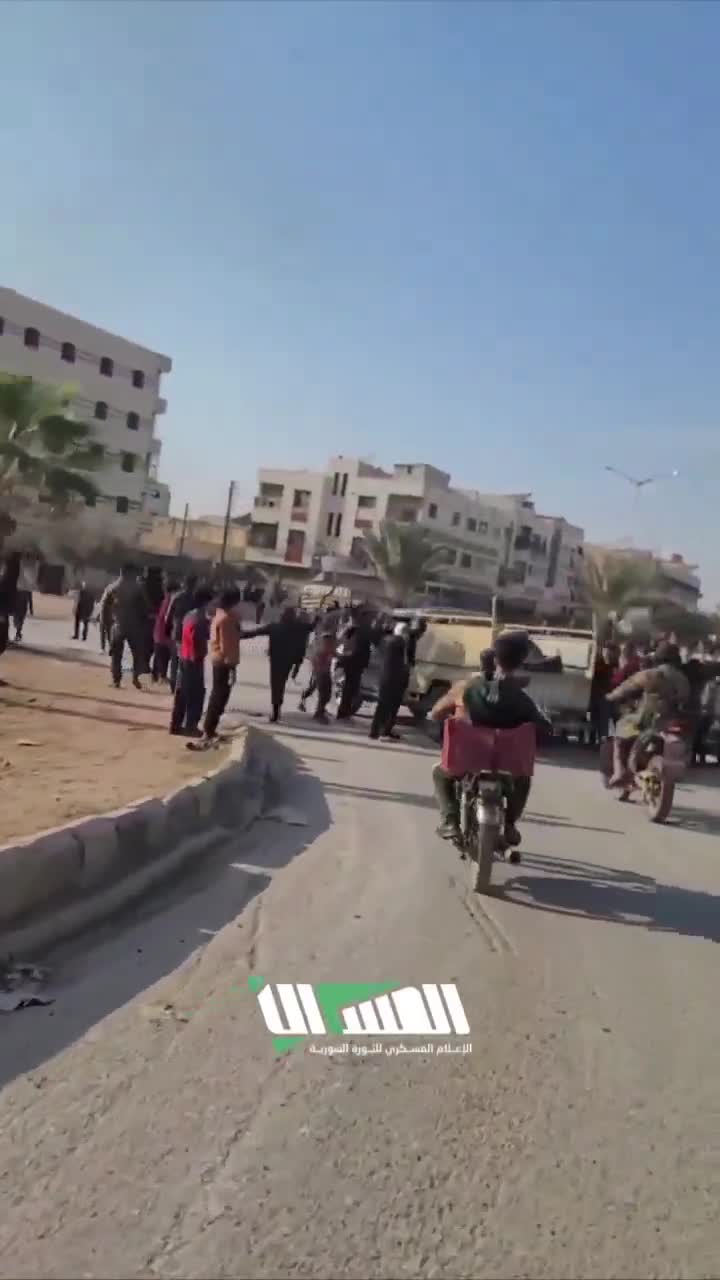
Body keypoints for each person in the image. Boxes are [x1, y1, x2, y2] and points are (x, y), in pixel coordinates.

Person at [429, 630, 552, 849]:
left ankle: (450, 821)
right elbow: (543, 727)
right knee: (523, 780)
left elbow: (437, 712)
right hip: (506, 763)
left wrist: (439, 716)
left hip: (467, 757)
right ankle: (511, 823)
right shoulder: (521, 698)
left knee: (440, 774)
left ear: (494, 659)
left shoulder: (468, 687)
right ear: (521, 661)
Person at [605, 641, 691, 787]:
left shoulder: (650, 674)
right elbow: (685, 697)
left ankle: (619, 772)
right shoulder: (682, 678)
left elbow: (626, 688)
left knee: (619, 730)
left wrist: (610, 696)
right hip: (671, 720)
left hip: (646, 719)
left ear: (658, 657)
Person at [170, 587, 214, 736]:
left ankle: (175, 725)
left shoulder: (189, 615)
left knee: (182, 692)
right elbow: (202, 637)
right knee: (196, 694)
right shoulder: (201, 619)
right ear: (206, 603)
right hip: (194, 659)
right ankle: (191, 726)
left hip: (184, 656)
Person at [202, 586, 242, 740]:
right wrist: (232, 667)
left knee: (218, 695)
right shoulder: (227, 619)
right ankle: (209, 729)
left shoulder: (220, 614)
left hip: (219, 659)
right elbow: (227, 645)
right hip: (224, 661)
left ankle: (210, 727)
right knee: (219, 696)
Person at [102, 563, 149, 689]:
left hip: (118, 625)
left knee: (117, 654)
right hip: (134, 626)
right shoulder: (138, 589)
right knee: (137, 654)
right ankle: (135, 678)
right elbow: (145, 609)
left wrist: (106, 627)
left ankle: (116, 680)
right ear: (131, 572)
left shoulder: (112, 588)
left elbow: (104, 609)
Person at [369, 621, 411, 740]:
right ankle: (384, 731)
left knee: (383, 705)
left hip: (385, 677)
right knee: (391, 706)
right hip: (395, 679)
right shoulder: (399, 642)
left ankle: (376, 731)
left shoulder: (386, 640)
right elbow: (404, 662)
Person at [166, 574, 198, 691]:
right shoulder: (195, 598)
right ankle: (182, 684)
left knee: (175, 660)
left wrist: (167, 630)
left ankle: (174, 683)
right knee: (187, 660)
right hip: (190, 632)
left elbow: (168, 616)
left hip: (178, 631)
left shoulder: (177, 597)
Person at [588, 640, 618, 743]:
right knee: (601, 707)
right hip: (597, 693)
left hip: (610, 694)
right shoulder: (598, 663)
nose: (608, 655)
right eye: (606, 652)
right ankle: (596, 737)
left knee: (606, 707)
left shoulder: (616, 664)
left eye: (610, 652)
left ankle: (603, 736)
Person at [151, 578, 179, 684]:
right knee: (164, 655)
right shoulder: (171, 601)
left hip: (159, 632)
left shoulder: (165, 600)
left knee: (159, 655)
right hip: (164, 633)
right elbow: (166, 617)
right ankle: (161, 677)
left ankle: (155, 676)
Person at [307, 628, 336, 723]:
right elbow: (316, 663)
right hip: (321, 674)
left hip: (324, 674)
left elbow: (336, 655)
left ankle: (320, 711)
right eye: (328, 639)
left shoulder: (328, 649)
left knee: (326, 695)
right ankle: (319, 713)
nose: (330, 641)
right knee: (324, 695)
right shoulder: (321, 650)